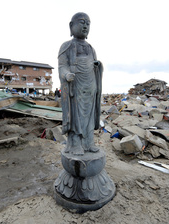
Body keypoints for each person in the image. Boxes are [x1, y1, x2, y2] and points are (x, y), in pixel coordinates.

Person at [58, 12, 103, 155]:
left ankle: (89, 143)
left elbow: (95, 66)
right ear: (71, 26)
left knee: (89, 117)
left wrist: (97, 66)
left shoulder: (91, 48)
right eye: (82, 22)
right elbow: (62, 66)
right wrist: (66, 75)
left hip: (90, 88)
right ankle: (75, 144)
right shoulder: (66, 46)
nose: (85, 26)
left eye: (88, 24)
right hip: (75, 88)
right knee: (76, 117)